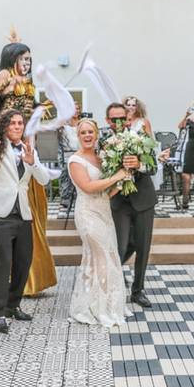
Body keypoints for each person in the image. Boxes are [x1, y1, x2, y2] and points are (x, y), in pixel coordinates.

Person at [0, 36, 57, 296]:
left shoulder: (28, 82)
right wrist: (9, 83)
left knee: (35, 211)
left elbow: (29, 116)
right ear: (12, 58)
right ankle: (18, 282)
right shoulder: (5, 75)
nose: (27, 63)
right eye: (23, 58)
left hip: (27, 144)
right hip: (7, 147)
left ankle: (31, 278)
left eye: (29, 59)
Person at [0, 109, 51, 334]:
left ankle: (12, 305)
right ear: (5, 126)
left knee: (23, 263)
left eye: (20, 123)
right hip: (0, 214)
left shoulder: (29, 149)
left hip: (23, 214)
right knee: (4, 262)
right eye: (13, 123)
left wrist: (32, 162)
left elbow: (43, 179)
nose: (17, 126)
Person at [67, 119, 133, 326]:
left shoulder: (102, 158)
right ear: (78, 136)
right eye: (83, 132)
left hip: (104, 213)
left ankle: (109, 305)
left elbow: (106, 192)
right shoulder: (75, 161)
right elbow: (88, 187)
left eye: (90, 132)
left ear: (96, 135)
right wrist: (117, 176)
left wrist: (123, 181)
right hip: (88, 215)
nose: (87, 135)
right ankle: (96, 308)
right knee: (102, 257)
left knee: (108, 258)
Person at [106, 102, 157, 308]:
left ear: (127, 118)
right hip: (119, 201)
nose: (118, 121)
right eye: (114, 118)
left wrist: (139, 164)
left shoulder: (141, 137)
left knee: (142, 245)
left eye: (122, 117)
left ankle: (138, 290)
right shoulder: (103, 141)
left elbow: (153, 166)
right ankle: (114, 284)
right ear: (108, 121)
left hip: (143, 198)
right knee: (120, 245)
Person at [57, 102, 81, 213]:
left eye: (77, 108)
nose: (76, 110)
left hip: (79, 154)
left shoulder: (82, 123)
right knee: (66, 179)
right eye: (73, 108)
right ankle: (65, 202)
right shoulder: (62, 125)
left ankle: (78, 201)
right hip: (66, 155)